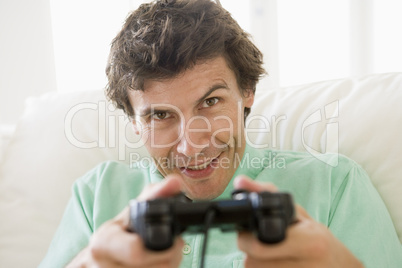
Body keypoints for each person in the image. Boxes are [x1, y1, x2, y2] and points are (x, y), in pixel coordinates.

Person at [40, 0, 402, 267]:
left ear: (248, 91)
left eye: (210, 102)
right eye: (161, 115)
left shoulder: (334, 186)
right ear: (134, 122)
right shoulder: (95, 196)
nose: (191, 143)